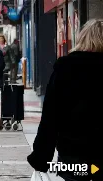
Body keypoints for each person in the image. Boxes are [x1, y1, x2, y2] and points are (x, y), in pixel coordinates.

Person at [27, 19, 103, 181]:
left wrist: (41, 156)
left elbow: (51, 116)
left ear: (82, 38)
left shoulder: (66, 68)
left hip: (73, 152)